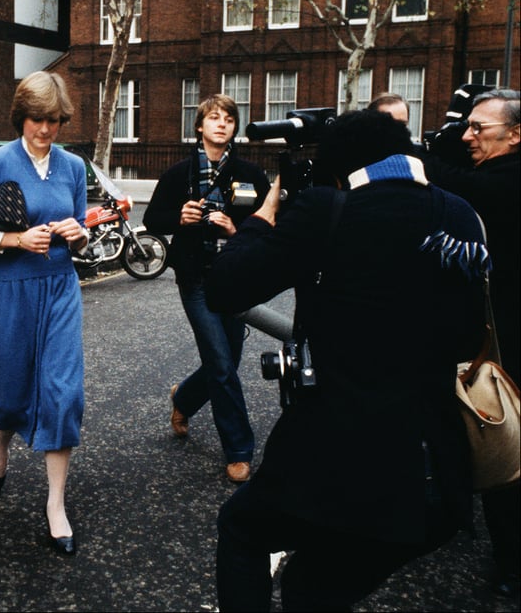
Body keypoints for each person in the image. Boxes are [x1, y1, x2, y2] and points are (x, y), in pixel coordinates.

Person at [206, 109, 486, 611]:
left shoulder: (326, 209)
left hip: (333, 460)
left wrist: (265, 215)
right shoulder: (458, 215)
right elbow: (468, 341)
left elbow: (224, 288)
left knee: (243, 532)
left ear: (340, 171)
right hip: (428, 474)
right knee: (316, 589)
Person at [0, 71, 89, 556]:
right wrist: (13, 239)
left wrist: (80, 234)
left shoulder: (72, 167)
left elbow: (83, 232)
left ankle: (55, 505)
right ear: (21, 117)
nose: (45, 130)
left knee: (62, 392)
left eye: (53, 120)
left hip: (60, 289)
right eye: (36, 119)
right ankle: (2, 446)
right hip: (9, 291)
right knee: (10, 389)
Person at [422, 88, 520, 598]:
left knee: (506, 446)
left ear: (516, 135)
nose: (468, 136)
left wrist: (437, 137)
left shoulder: (504, 184)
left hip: (507, 348)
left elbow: (440, 172)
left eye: (479, 128)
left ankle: (511, 566)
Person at [143, 94, 271, 483]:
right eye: (214, 118)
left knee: (226, 361)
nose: (222, 124)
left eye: (229, 119)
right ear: (199, 126)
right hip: (195, 279)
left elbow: (269, 225)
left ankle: (183, 398)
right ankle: (238, 449)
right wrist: (180, 217)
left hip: (234, 279)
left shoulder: (251, 174)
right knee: (220, 361)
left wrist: (237, 230)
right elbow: (152, 219)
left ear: (234, 128)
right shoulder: (179, 174)